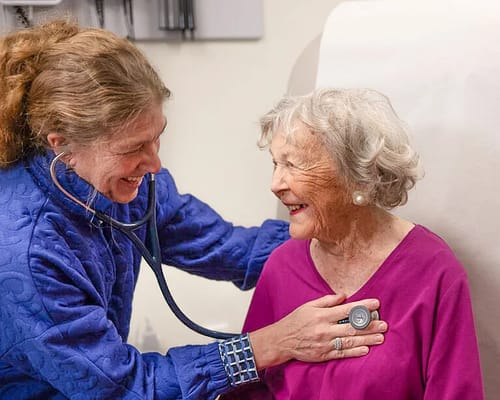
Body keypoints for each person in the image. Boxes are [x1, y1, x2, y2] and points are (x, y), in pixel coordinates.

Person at [0, 21, 389, 399]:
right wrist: (268, 345)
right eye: (134, 148)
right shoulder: (27, 257)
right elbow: (123, 388)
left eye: (157, 138)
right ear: (61, 146)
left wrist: (344, 240)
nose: (154, 165)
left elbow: (224, 247)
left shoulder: (131, 188)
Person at [222, 88, 484, 399]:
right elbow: (247, 392)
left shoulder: (433, 271)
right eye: (275, 164)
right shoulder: (282, 266)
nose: (276, 184)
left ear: (357, 175)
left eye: (293, 165)